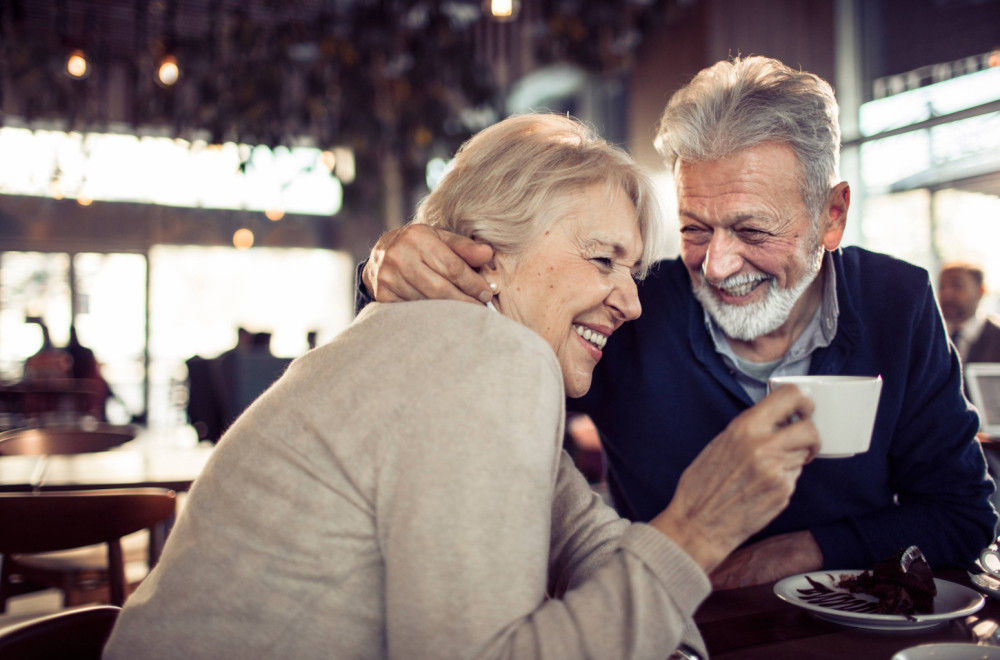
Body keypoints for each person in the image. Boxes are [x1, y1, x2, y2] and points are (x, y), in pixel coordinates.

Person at [104, 114, 820, 659]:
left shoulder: (457, 346)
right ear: (484, 254)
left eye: (632, 273)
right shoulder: (486, 354)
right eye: (603, 258)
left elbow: (587, 540)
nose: (631, 304)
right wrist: (697, 530)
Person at [356, 56, 998, 589]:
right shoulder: (632, 306)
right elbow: (464, 360)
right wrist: (387, 271)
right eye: (695, 228)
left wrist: (790, 553)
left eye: (751, 229)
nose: (717, 266)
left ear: (832, 215)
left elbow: (963, 515)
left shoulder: (898, 300)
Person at [938, 261, 1000, 365]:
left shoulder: (997, 337)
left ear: (981, 290)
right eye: (942, 286)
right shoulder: (930, 335)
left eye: (956, 285)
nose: (946, 293)